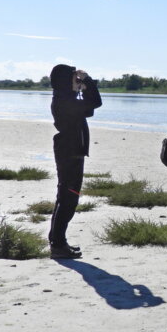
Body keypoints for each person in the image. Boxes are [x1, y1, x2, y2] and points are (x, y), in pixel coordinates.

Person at [48, 64, 102, 258]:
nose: (77, 80)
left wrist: (82, 88)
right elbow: (96, 102)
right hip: (70, 152)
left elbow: (89, 110)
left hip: (70, 150)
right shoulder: (64, 100)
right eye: (74, 77)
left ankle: (57, 242)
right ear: (65, 80)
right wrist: (87, 82)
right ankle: (58, 244)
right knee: (68, 198)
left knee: (65, 197)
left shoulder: (65, 98)